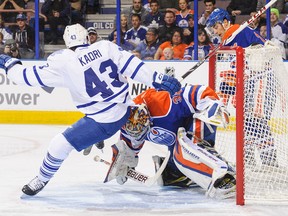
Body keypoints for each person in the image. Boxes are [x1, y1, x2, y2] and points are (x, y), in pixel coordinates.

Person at [0, 23, 181, 196]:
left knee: (59, 144)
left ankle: (41, 179)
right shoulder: (105, 47)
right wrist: (157, 78)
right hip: (125, 110)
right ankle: (140, 150)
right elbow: (132, 65)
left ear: (67, 42)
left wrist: (10, 65)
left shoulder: (62, 61)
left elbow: (26, 77)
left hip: (102, 122)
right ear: (87, 38)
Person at [104, 85, 235, 199]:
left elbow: (197, 91)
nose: (139, 134)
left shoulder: (162, 104)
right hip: (179, 137)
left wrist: (212, 104)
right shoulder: (128, 126)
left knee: (184, 151)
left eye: (142, 128)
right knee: (170, 177)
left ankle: (224, 177)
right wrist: (123, 166)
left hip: (196, 121)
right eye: (135, 132)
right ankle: (189, 175)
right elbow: (126, 152)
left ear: (148, 117)